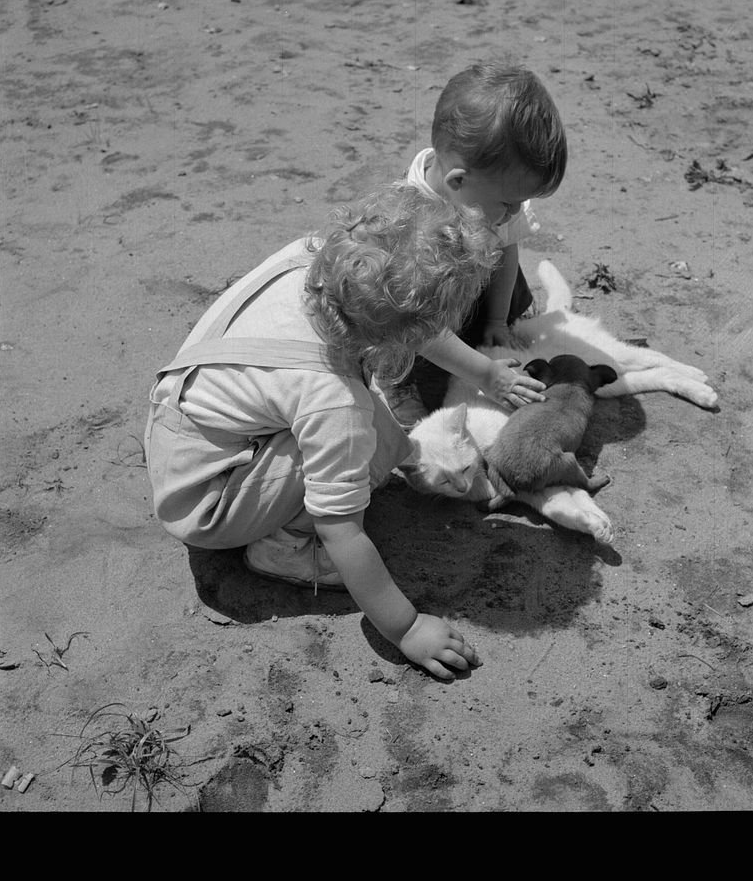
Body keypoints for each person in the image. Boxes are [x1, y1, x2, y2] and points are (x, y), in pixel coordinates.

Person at [144, 182, 521, 679]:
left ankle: (282, 494)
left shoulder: (311, 260)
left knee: (377, 434)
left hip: (180, 428)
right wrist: (405, 627)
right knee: (359, 443)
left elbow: (406, 328)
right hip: (205, 500)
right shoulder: (331, 399)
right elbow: (341, 529)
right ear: (406, 337)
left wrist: (483, 375)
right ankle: (284, 551)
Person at [383, 60, 569, 425]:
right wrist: (487, 375)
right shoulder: (408, 225)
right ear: (457, 182)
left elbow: (507, 243)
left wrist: (498, 319)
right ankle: (398, 382)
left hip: (469, 293)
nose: (515, 209)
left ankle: (486, 329)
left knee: (499, 249)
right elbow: (419, 326)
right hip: (417, 321)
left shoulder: (487, 192)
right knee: (392, 318)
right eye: (508, 202)